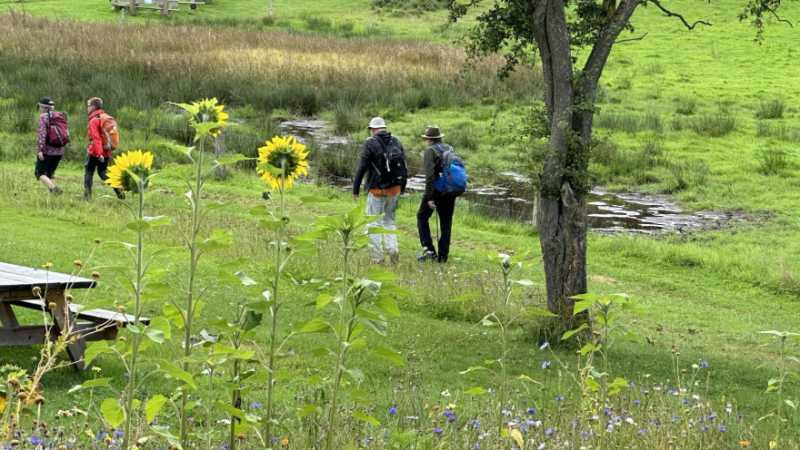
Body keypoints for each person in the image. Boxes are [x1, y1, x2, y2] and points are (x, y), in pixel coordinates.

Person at [352, 117, 407, 264]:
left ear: (373, 129)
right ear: (384, 128)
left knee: (373, 223)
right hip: (395, 188)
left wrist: (355, 189)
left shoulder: (370, 143)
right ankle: (393, 250)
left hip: (377, 190)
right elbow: (404, 165)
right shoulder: (396, 140)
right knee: (389, 221)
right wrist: (403, 187)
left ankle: (377, 258)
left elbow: (362, 167)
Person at [417, 126, 458, 263]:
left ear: (429, 139)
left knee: (422, 217)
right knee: (446, 224)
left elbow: (430, 177)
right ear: (439, 137)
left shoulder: (430, 151)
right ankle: (443, 257)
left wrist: (429, 197)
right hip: (450, 190)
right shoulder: (449, 148)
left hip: (437, 191)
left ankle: (429, 251)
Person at [84, 97, 124, 200]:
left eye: (88, 106)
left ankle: (87, 197)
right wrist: (103, 153)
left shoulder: (94, 120)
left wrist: (98, 154)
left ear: (93, 107)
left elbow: (96, 138)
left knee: (89, 172)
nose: (87, 108)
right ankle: (119, 190)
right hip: (107, 150)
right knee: (102, 173)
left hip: (95, 151)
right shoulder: (106, 117)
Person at [35, 97, 66, 195]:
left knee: (39, 173)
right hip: (59, 151)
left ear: (44, 107)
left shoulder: (43, 117)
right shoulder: (60, 115)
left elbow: (42, 134)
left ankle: (55, 190)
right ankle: (53, 196)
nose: (39, 109)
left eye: (39, 107)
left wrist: (40, 150)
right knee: (50, 174)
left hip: (47, 151)